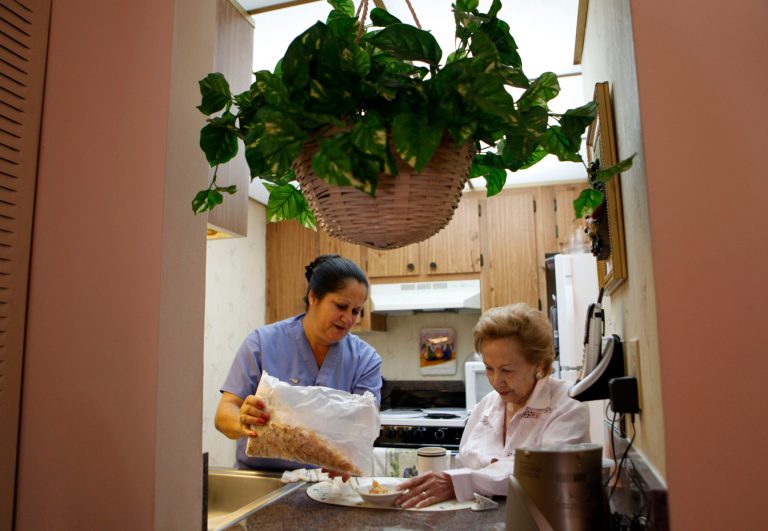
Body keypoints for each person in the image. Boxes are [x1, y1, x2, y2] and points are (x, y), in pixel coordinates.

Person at [396, 303, 589, 509]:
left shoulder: (567, 405)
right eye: (489, 368)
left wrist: (462, 482)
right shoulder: (486, 405)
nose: (496, 381)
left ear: (539, 365)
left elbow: (544, 472)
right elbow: (464, 463)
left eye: (507, 370)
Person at [214, 254, 382, 470]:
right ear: (313, 297)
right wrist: (242, 420)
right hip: (262, 481)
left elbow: (363, 427)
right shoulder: (262, 344)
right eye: (341, 306)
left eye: (356, 311)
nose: (348, 318)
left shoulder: (365, 360)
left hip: (327, 484)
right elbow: (224, 413)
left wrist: (349, 457)